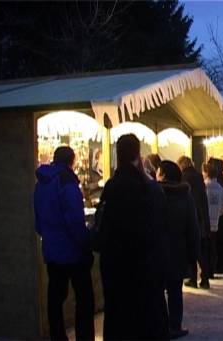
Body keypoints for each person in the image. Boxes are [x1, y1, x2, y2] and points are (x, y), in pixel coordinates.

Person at [98, 134, 169, 340]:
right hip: (147, 268)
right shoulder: (151, 189)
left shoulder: (112, 188)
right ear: (138, 154)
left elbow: (104, 231)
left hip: (117, 270)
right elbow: (161, 229)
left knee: (120, 321)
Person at [34, 146, 95, 340]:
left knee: (55, 298)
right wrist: (85, 243)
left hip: (52, 250)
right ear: (72, 160)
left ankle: (57, 337)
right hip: (72, 251)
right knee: (84, 300)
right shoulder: (66, 182)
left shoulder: (41, 183)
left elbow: (38, 220)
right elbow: (74, 220)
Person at [157, 160, 199, 339]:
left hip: (157, 251)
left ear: (164, 174)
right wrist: (193, 255)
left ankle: (159, 325)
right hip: (178, 250)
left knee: (157, 290)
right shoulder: (185, 196)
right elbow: (192, 228)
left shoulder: (154, 193)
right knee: (175, 290)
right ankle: (175, 326)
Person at [177, 156, 211, 289]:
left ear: (182, 165)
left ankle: (192, 278)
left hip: (191, 215)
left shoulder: (183, 177)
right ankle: (205, 278)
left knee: (191, 248)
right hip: (201, 216)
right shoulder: (198, 176)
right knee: (202, 249)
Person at [207, 158, 223, 273]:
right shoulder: (222, 181)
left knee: (216, 241)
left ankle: (216, 264)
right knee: (221, 241)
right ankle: (221, 264)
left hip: (216, 216)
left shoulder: (213, 183)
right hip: (221, 215)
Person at [202, 162, 223, 280]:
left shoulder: (204, 187)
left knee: (205, 247)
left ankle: (206, 271)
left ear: (206, 173)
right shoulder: (220, 188)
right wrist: (217, 213)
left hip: (206, 222)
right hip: (215, 221)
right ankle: (212, 269)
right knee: (213, 246)